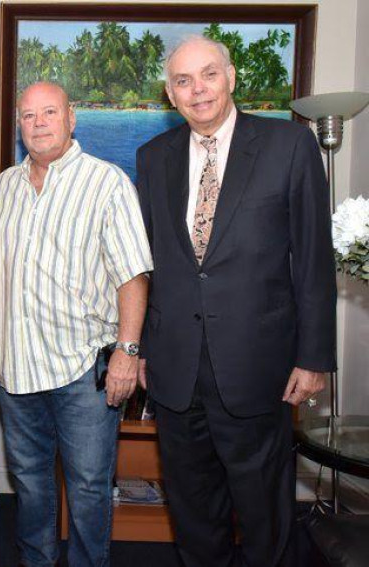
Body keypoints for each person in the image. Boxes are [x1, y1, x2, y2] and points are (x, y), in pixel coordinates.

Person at [136, 36, 336, 567]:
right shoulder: (152, 158)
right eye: (183, 80)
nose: (197, 89)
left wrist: (313, 358)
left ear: (231, 77)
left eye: (208, 74)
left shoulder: (289, 146)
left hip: (258, 367)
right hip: (177, 371)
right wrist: (138, 350)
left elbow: (314, 259)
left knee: (264, 512)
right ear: (169, 94)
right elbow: (153, 266)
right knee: (194, 510)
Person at [0, 82, 152, 567]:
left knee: (89, 490)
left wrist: (128, 351)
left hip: (82, 370)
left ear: (71, 118)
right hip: (13, 371)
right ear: (19, 124)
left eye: (49, 112)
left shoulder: (107, 183)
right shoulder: (0, 189)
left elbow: (132, 274)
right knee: (30, 485)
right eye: (28, 115)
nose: (38, 122)